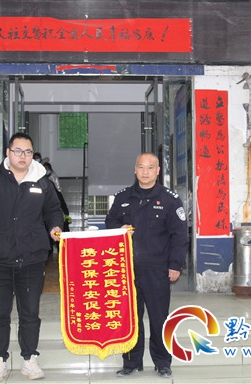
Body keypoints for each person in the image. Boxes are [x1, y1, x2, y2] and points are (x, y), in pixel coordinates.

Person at [0, 132, 63, 382]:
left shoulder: (42, 183)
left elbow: (53, 210)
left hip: (32, 260)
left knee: (30, 313)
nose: (23, 156)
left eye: (28, 152)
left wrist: (55, 227)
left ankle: (29, 359)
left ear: (33, 154)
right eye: (18, 151)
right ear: (8, 153)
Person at [105, 152, 189, 379]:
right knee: (130, 318)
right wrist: (118, 228)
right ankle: (131, 362)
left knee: (159, 317)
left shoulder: (170, 200)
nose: (145, 171)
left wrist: (175, 265)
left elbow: (179, 236)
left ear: (158, 171)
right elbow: (110, 221)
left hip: (157, 269)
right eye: (141, 167)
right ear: (135, 169)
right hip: (126, 269)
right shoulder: (123, 197)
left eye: (150, 167)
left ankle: (162, 362)